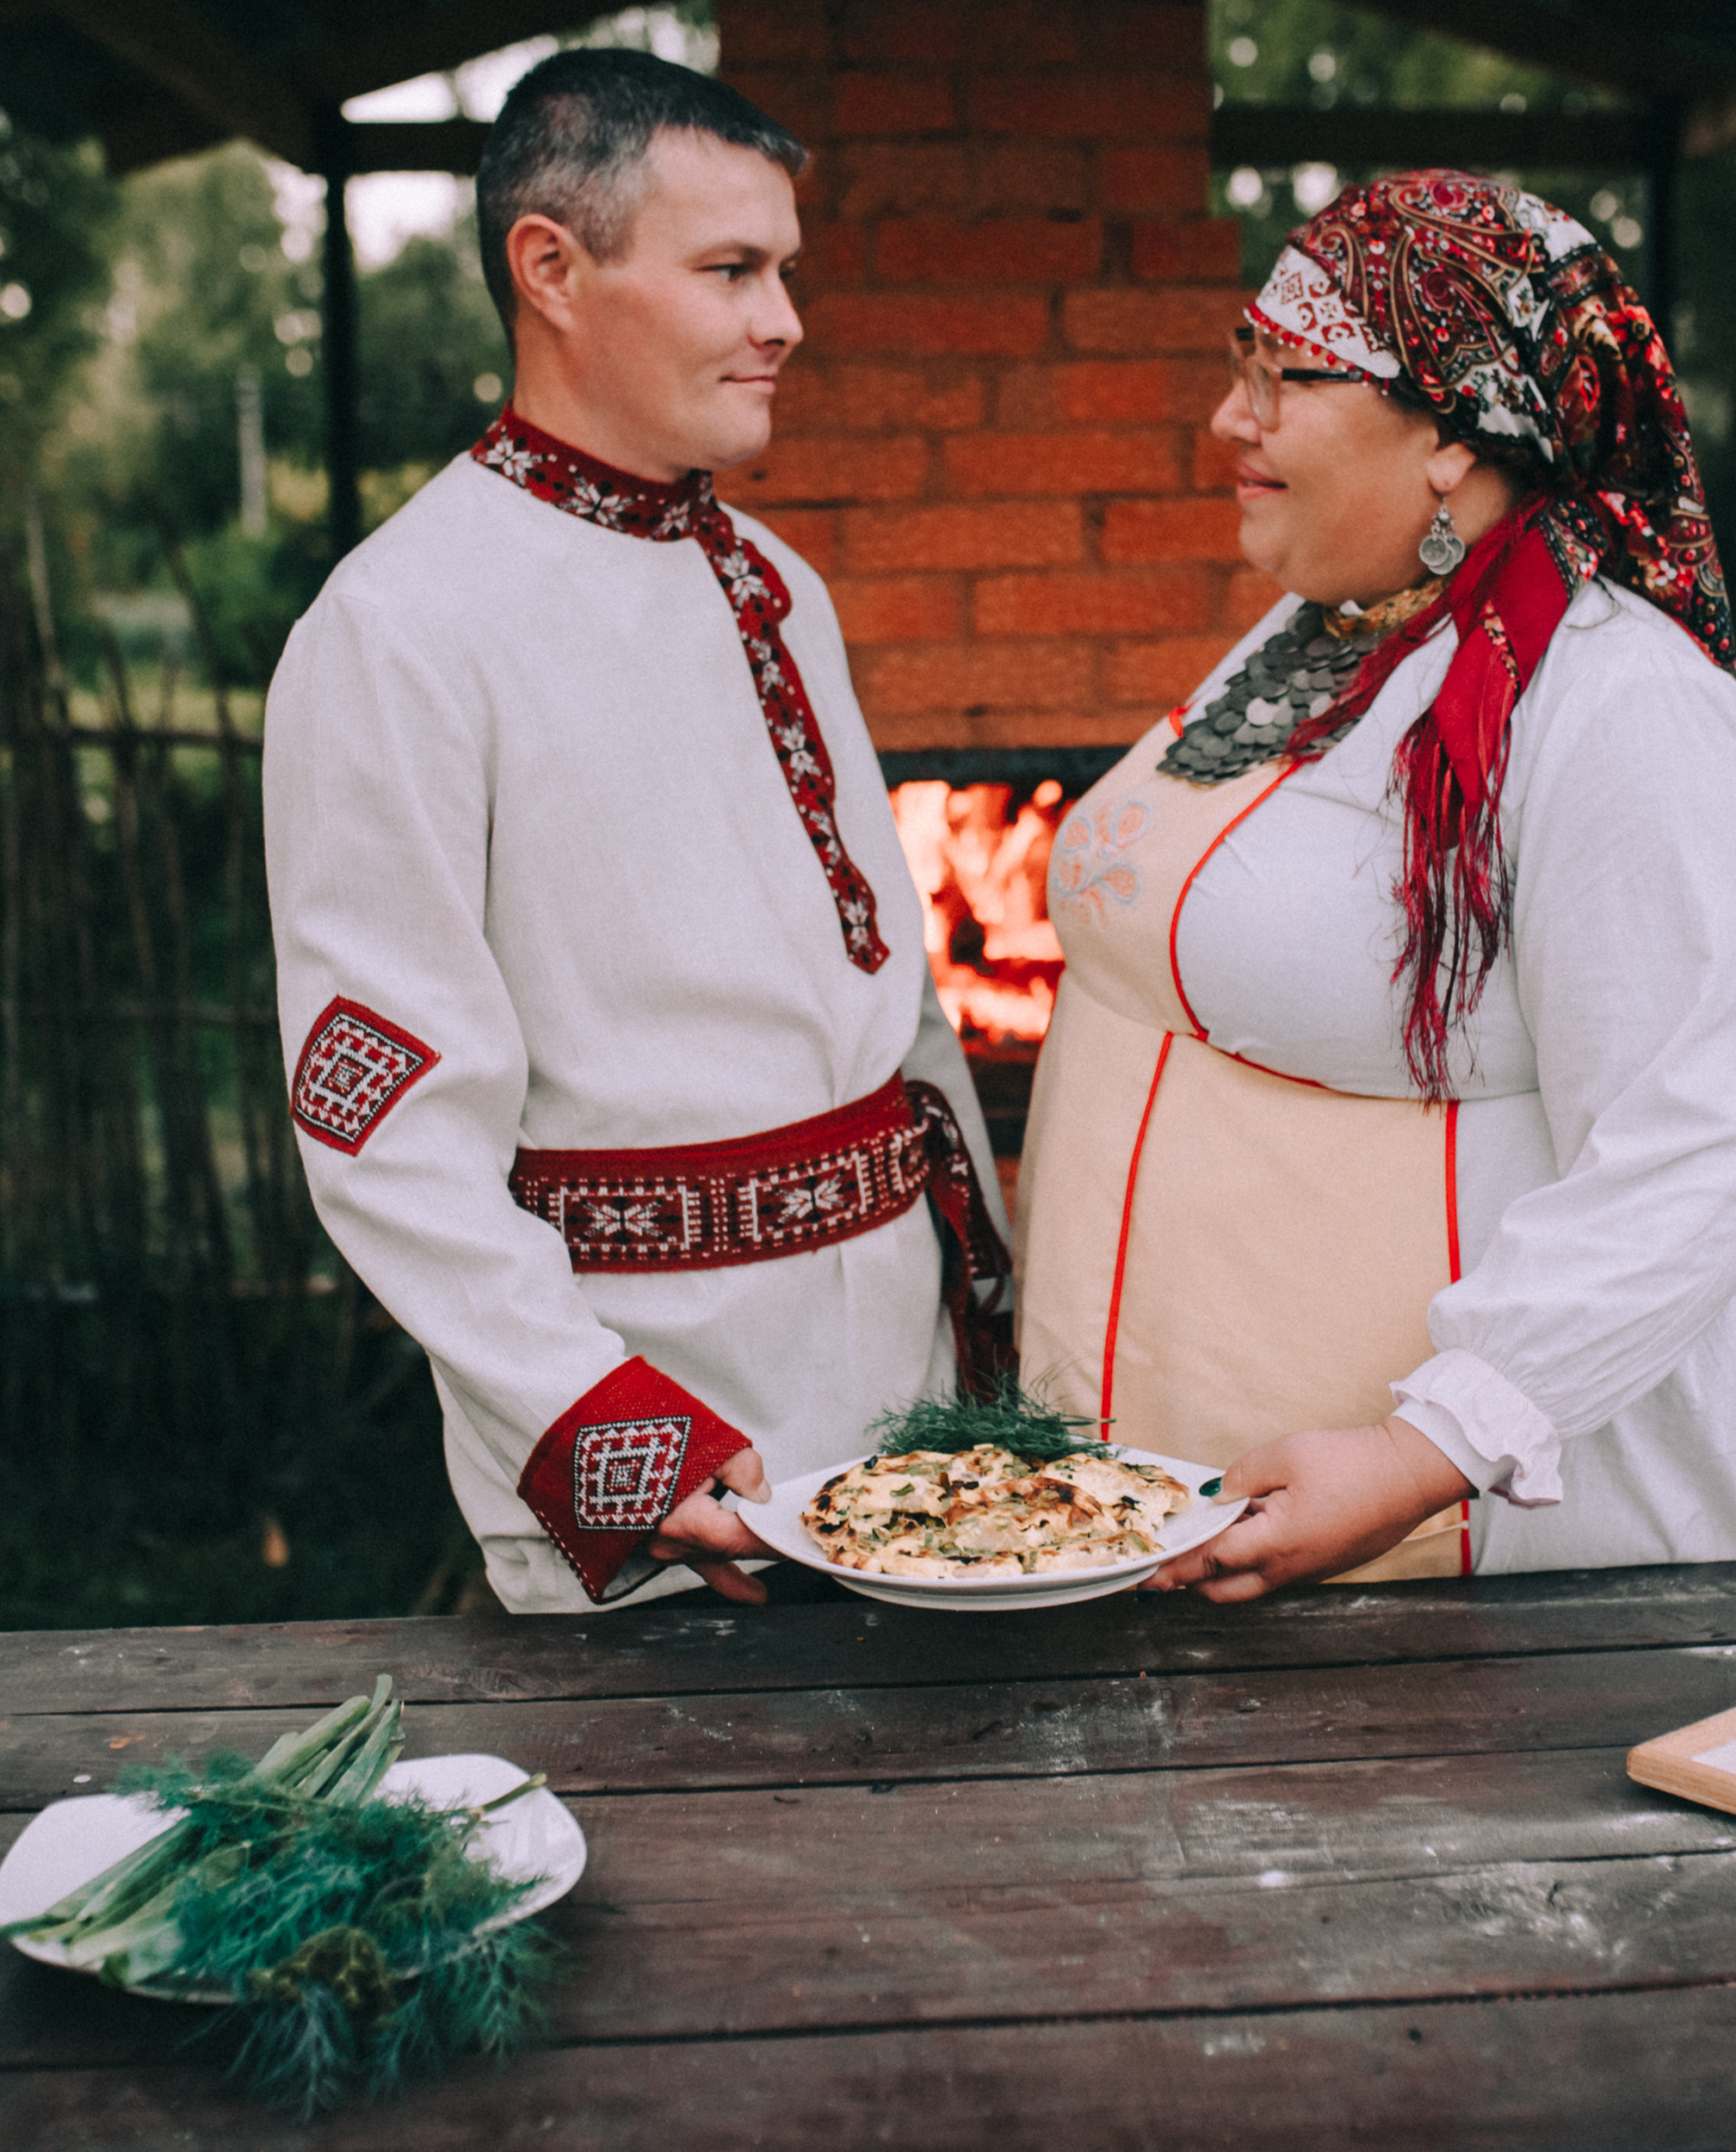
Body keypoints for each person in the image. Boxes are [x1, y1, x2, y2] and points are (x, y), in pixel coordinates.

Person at [1014, 170, 1736, 1599]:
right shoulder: (1328, 633)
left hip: (1475, 1548)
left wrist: (1429, 1449)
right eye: (1238, 366)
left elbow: (1696, 1145)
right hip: (1207, 1502)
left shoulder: (1626, 713)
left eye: (1284, 378)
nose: (1228, 420)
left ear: (1457, 433)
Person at [264, 50, 1006, 1615]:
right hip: (668, 1434)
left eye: (785, 271)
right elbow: (379, 1122)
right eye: (731, 270)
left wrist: (994, 1322)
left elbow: (902, 1011)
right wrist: (619, 1441)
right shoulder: (398, 628)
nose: (784, 320)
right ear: (551, 269)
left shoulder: (780, 585)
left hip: (913, 1399)